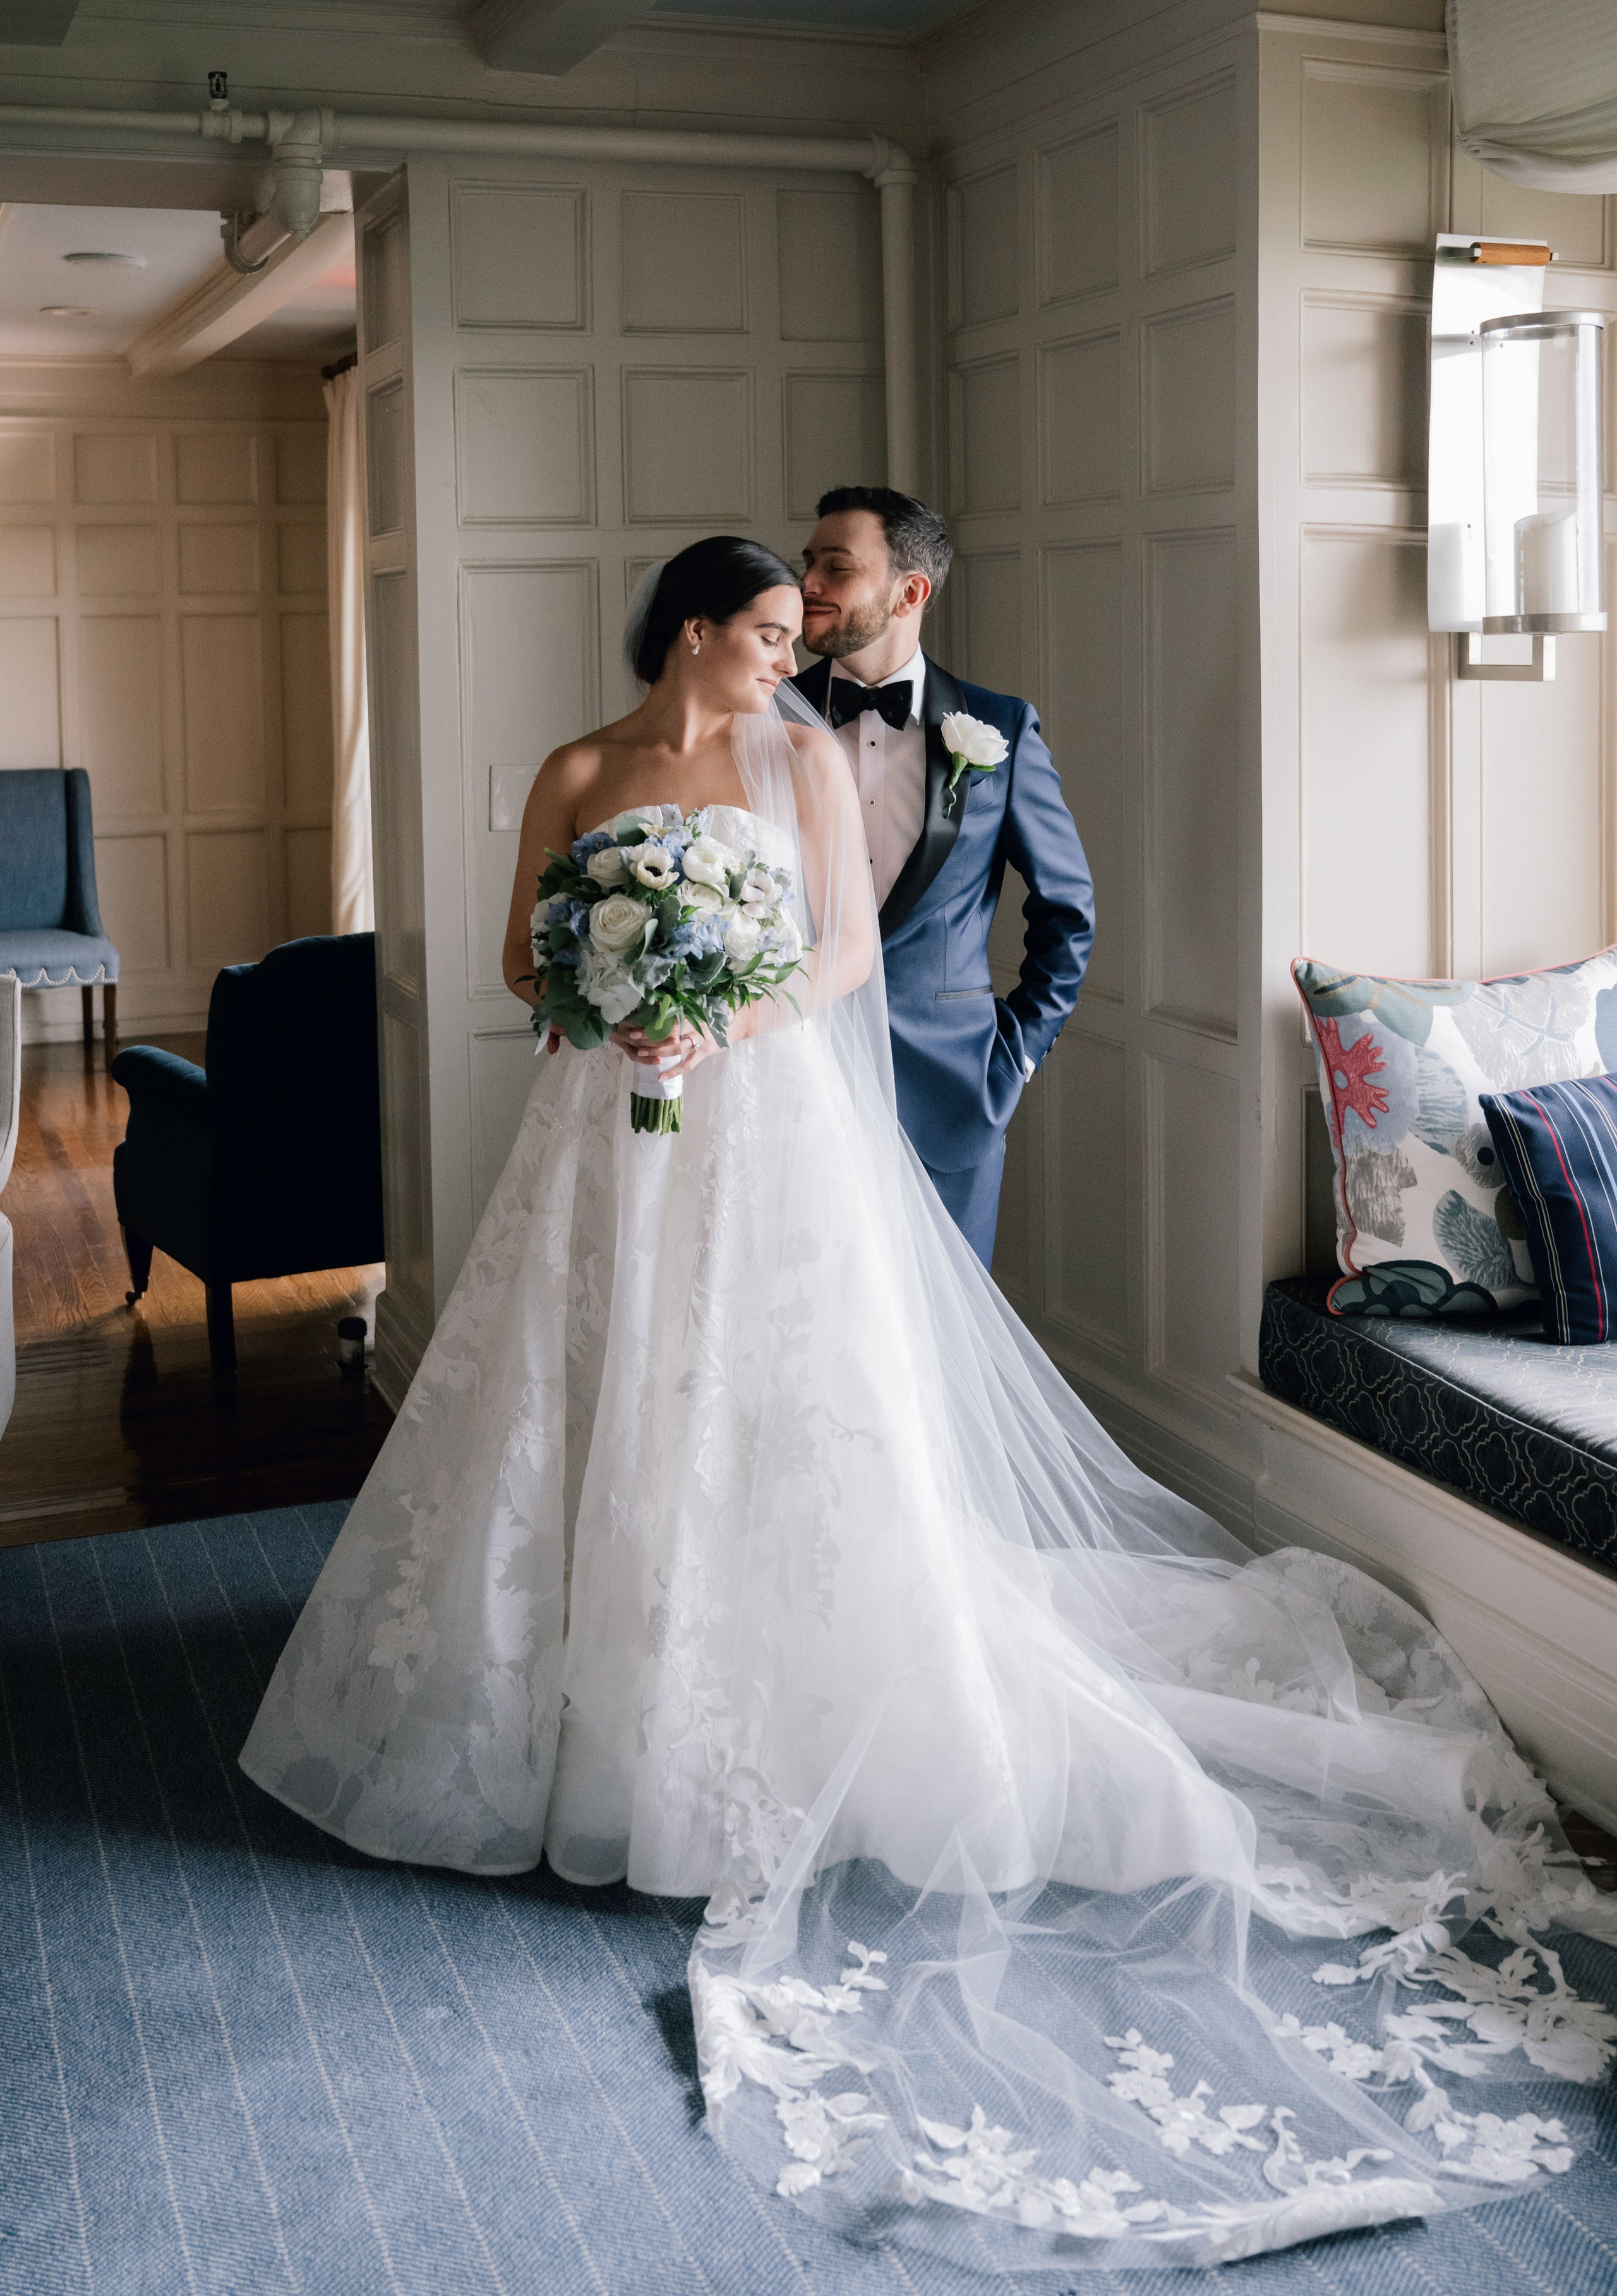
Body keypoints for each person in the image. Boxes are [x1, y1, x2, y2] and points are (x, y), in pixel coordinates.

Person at [241, 536, 1616, 2278]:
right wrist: (611, 993)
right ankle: (568, 1699)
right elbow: (527, 959)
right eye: (764, 632)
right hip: (606, 1141)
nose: (787, 654)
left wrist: (713, 1005)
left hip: (762, 1130)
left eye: (799, 628)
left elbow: (834, 960)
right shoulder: (580, 771)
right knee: (575, 1403)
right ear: (693, 634)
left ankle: (764, 1717)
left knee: (783, 1420)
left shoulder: (798, 757)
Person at [798, 485, 1091, 1266]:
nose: (808, 586)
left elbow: (1068, 910)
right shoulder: (764, 722)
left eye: (836, 567)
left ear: (910, 591)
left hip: (953, 1093)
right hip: (793, 1081)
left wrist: (1016, 1055)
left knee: (933, 1364)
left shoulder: (1001, 729)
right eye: (808, 564)